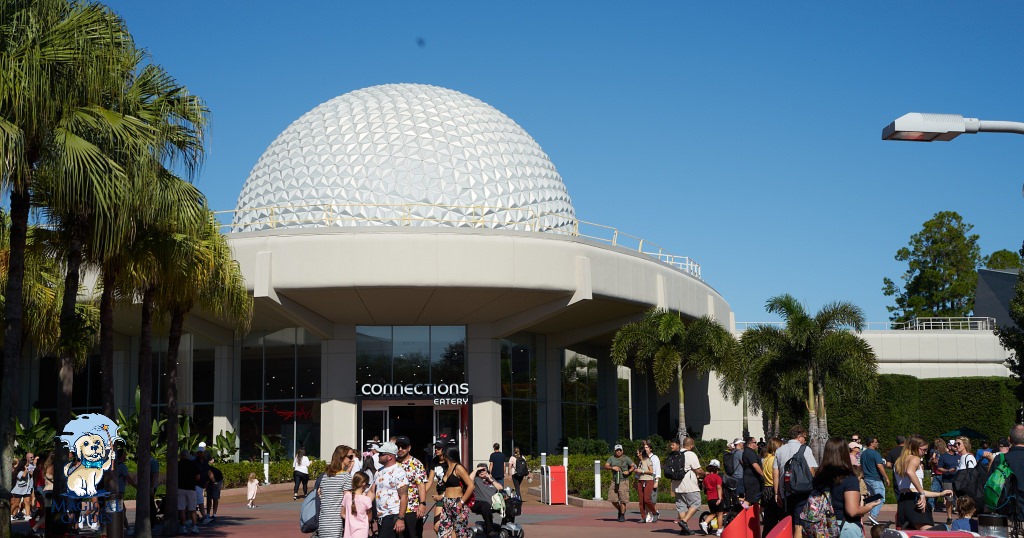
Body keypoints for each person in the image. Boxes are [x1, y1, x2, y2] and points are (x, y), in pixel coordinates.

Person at [811, 437, 882, 538]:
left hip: (822, 525)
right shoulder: (849, 478)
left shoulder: (819, 476)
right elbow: (852, 511)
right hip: (844, 526)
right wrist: (869, 507)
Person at [894, 434, 952, 530]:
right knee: (931, 532)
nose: (925, 453)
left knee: (910, 533)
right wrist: (921, 493)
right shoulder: (915, 459)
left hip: (903, 501)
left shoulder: (899, 461)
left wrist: (940, 494)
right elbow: (910, 472)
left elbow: (912, 488)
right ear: (915, 447)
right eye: (923, 450)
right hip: (914, 501)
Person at [773, 425, 818, 538]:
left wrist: (777, 493)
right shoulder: (805, 449)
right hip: (803, 490)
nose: (805, 440)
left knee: (787, 520)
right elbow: (811, 470)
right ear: (799, 437)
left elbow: (776, 473)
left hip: (786, 491)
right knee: (799, 523)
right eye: (804, 437)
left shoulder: (779, 450)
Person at [433, 446, 474, 538]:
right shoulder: (447, 468)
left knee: (460, 532)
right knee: (443, 532)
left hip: (457, 502)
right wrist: (442, 496)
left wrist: (462, 502)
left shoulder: (458, 467)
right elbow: (448, 488)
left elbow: (471, 486)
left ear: (447, 455)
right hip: (446, 503)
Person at [394, 435, 429, 538]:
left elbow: (421, 485)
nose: (400, 449)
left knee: (413, 535)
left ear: (409, 448)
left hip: (412, 508)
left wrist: (422, 503)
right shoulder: (393, 463)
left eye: (403, 446)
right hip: (395, 508)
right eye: (398, 446)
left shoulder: (416, 464)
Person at [320, 444, 356, 538]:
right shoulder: (345, 476)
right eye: (350, 456)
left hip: (323, 521)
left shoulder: (325, 476)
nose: (352, 460)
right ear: (342, 457)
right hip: (336, 522)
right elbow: (347, 500)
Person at [375, 441, 411, 538]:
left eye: (381, 454)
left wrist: (400, 518)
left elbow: (404, 496)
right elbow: (371, 491)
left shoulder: (399, 472)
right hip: (380, 515)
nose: (378, 455)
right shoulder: (379, 471)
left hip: (392, 515)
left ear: (389, 456)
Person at [672, 437, 704, 535]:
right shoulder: (691, 454)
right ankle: (684, 521)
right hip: (689, 485)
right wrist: (705, 474)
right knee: (696, 502)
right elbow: (698, 470)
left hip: (676, 484)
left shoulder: (675, 454)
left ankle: (684, 529)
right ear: (691, 445)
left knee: (682, 507)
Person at [603, 443, 635, 523]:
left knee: (623, 500)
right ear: (614, 451)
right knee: (612, 499)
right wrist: (612, 467)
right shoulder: (611, 458)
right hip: (614, 481)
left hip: (623, 481)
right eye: (617, 450)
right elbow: (606, 466)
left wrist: (628, 471)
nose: (619, 451)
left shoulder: (626, 458)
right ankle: (620, 510)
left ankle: (622, 515)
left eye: (620, 450)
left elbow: (633, 466)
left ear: (622, 450)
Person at [860, 436, 887, 526]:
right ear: (871, 443)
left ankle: (865, 502)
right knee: (881, 497)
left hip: (867, 478)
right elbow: (879, 466)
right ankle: (873, 515)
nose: (877, 443)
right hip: (875, 478)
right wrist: (886, 477)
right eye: (876, 442)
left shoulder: (863, 454)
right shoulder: (875, 453)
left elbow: (861, 466)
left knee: (874, 497)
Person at [760, 438, 785, 536]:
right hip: (773, 488)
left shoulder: (766, 459)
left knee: (769, 520)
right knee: (780, 517)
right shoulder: (774, 459)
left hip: (766, 488)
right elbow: (776, 476)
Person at [471, 463, 503, 537]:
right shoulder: (476, 479)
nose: (481, 472)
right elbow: (469, 480)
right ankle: (490, 530)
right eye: (480, 470)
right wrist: (475, 470)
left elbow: (500, 488)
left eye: (483, 470)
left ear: (487, 471)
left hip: (493, 503)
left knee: (510, 503)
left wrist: (490, 479)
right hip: (478, 503)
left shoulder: (490, 479)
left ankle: (505, 526)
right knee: (486, 505)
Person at [344, 472, 374, 538]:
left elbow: (342, 514)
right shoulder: (366, 499)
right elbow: (369, 517)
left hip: (348, 532)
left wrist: (350, 519)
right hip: (362, 531)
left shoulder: (347, 495)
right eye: (367, 484)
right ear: (364, 484)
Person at [177, 449, 200, 535]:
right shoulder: (193, 464)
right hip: (191, 488)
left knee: (181, 508)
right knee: (192, 509)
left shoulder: (177, 465)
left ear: (181, 456)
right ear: (188, 456)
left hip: (180, 488)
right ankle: (195, 526)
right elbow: (198, 477)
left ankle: (183, 527)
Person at [635, 440, 657, 523]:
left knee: (647, 499)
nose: (637, 454)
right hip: (640, 481)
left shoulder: (647, 460)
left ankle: (655, 513)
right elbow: (639, 471)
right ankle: (643, 517)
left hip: (648, 480)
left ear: (642, 453)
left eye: (638, 453)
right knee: (641, 501)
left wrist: (642, 471)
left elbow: (651, 471)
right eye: (637, 453)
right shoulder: (640, 461)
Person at [701, 459, 724, 534]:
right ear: (716, 469)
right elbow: (719, 487)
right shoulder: (717, 478)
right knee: (720, 514)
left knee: (713, 514)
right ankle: (719, 530)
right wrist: (720, 498)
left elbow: (703, 487)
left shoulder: (706, 478)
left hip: (710, 498)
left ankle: (705, 523)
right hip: (716, 497)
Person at [741, 437, 764, 504]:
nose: (756, 444)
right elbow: (755, 465)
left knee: (755, 500)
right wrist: (763, 475)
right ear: (750, 444)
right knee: (749, 499)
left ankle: (753, 513)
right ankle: (743, 512)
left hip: (752, 479)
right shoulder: (750, 452)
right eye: (755, 442)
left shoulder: (748, 452)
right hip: (752, 480)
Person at [649, 440, 662, 522]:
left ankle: (654, 512)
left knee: (652, 498)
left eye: (647, 447)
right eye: (644, 447)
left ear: (650, 449)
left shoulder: (655, 457)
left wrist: (656, 480)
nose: (645, 449)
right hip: (645, 478)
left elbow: (658, 469)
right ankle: (651, 513)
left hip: (652, 477)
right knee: (646, 498)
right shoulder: (643, 457)